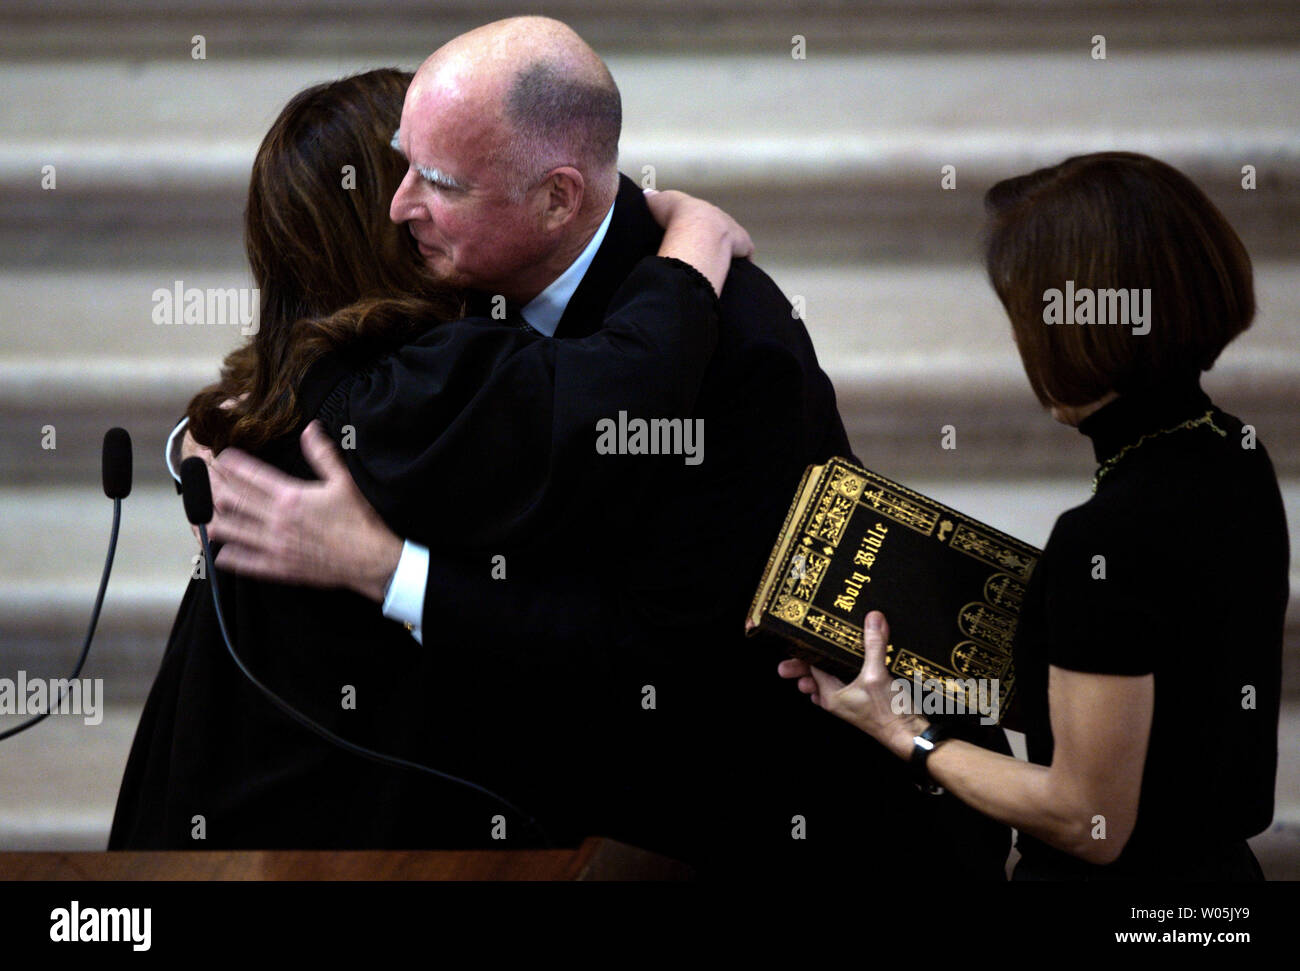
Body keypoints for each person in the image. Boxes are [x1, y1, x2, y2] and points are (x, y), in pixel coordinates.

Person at [199, 16, 1012, 877]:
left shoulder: (739, 350)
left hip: (751, 819)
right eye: (402, 163)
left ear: (556, 197)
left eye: (436, 181)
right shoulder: (454, 288)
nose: (398, 206)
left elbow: (660, 652)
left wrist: (387, 569)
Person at [110, 66, 753, 849]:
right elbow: (623, 390)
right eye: (414, 172)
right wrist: (695, 241)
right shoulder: (419, 386)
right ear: (384, 219)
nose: (418, 198)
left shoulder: (291, 380)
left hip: (210, 788)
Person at [778, 151, 1288, 880]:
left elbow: (1088, 819)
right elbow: (1175, 702)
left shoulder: (1104, 538)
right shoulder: (1231, 447)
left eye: (1025, 315)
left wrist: (901, 728)